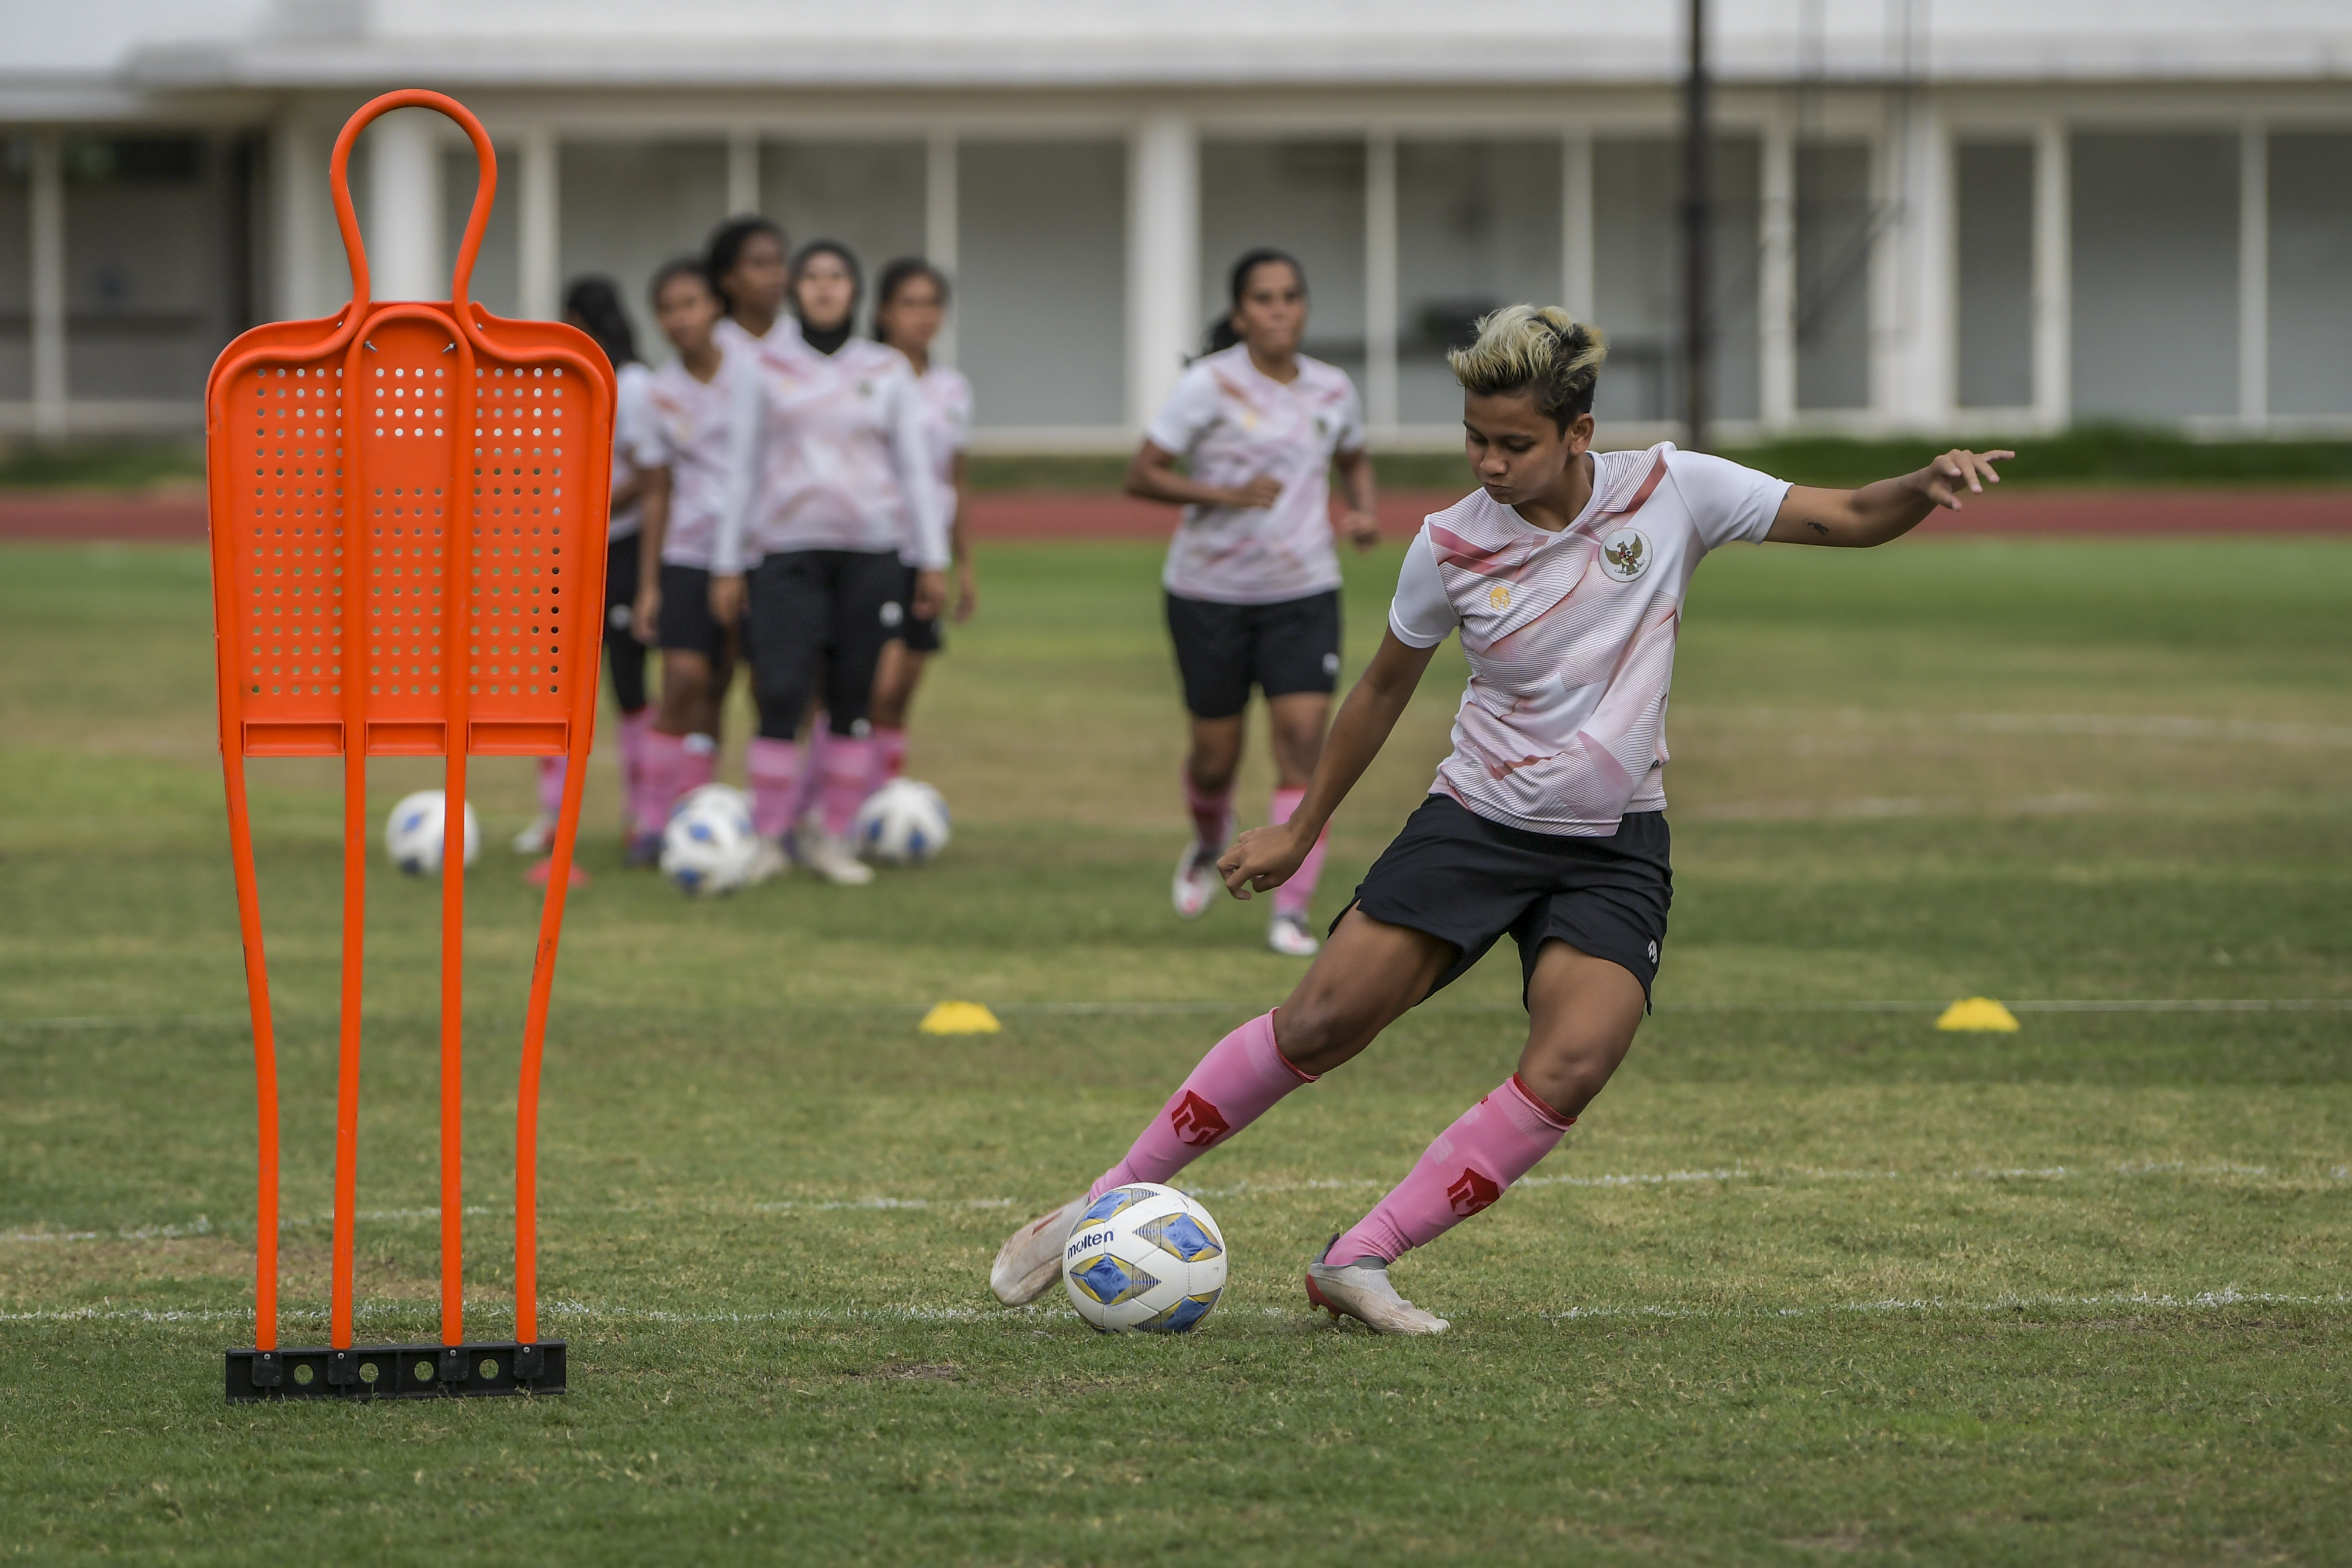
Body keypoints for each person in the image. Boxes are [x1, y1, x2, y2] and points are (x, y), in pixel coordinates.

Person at [990, 305, 2012, 1332]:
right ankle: (1106, 1197)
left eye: (1512, 443)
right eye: (1474, 439)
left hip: (1615, 845)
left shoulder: (1672, 488)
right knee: (1321, 1023)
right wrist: (1302, 827)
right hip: (1476, 823)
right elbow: (1384, 689)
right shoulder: (1448, 547)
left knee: (1574, 1060)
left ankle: (1359, 1258)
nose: (1487, 462)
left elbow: (1849, 514)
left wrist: (1922, 485)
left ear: (1579, 431)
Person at [1127, 248, 1379, 958]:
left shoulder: (1332, 389)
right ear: (1240, 315)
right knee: (1215, 758)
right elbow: (1141, 474)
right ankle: (1209, 843)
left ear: (1303, 308)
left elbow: (1353, 458)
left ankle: (1289, 912)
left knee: (1303, 741)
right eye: (1263, 298)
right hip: (1208, 595)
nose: (1278, 309)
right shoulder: (1206, 386)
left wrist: (1360, 511)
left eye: (1290, 296)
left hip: (1303, 592)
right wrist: (1224, 495)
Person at [710, 240, 950, 885]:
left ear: (854, 290)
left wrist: (931, 558)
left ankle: (831, 836)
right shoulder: (761, 367)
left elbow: (915, 472)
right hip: (785, 553)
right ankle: (768, 837)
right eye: (811, 277)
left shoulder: (885, 369)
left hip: (870, 552)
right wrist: (727, 564)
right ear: (794, 289)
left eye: (836, 277)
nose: (823, 288)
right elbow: (740, 470)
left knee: (853, 696)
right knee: (781, 692)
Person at [514, 276, 659, 864]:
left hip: (617, 550)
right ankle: (552, 816)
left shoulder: (636, 386)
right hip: (559, 552)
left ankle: (640, 812)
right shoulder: (561, 380)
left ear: (579, 317)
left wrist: (587, 507)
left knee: (628, 684)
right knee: (553, 690)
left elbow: (649, 475)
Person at [626, 258, 740, 842]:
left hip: (752, 549)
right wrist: (650, 585)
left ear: (716, 306)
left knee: (728, 684)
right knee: (682, 677)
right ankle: (649, 819)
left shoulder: (751, 373)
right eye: (668, 308)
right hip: (688, 553)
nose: (680, 318)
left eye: (690, 304)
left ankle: (699, 810)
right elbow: (656, 490)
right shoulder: (657, 392)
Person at [866, 257, 977, 787]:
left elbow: (955, 478)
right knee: (871, 686)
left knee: (903, 689)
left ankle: (881, 799)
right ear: (884, 312)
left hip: (928, 554)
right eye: (909, 303)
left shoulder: (953, 388)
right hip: (879, 545)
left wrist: (966, 564)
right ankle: (838, 798)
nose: (922, 315)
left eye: (932, 303)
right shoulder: (866, 377)